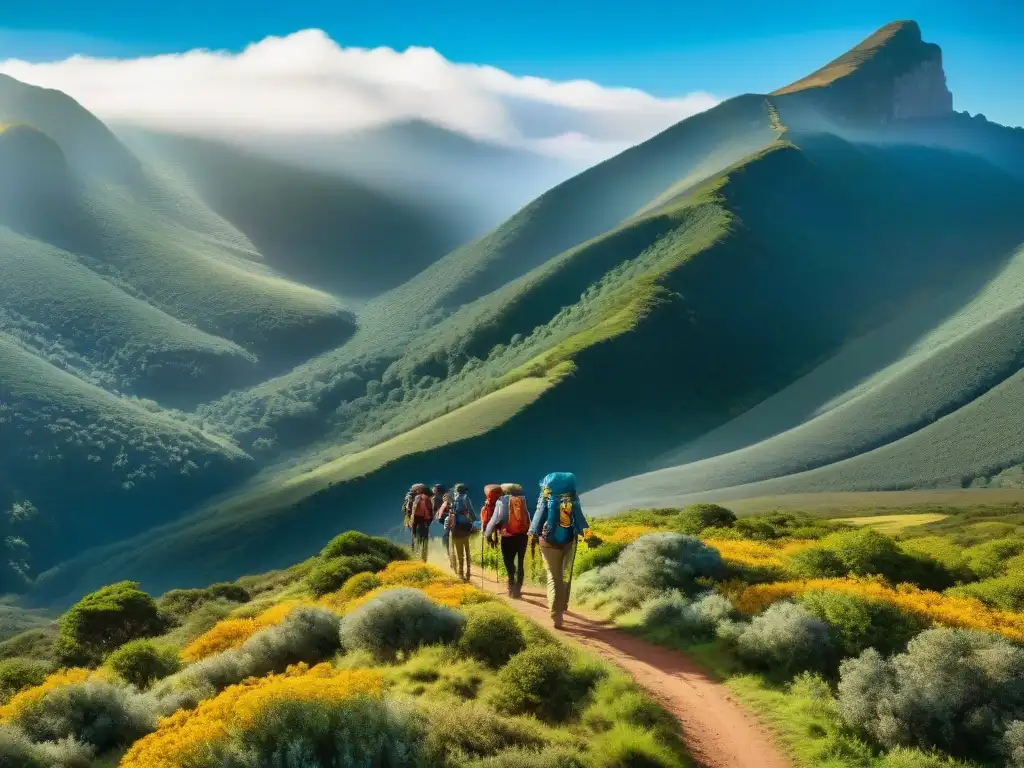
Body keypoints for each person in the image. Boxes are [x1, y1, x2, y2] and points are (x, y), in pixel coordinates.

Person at [528, 472, 589, 628]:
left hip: (548, 542)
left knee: (554, 577)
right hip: (569, 540)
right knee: (564, 575)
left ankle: (556, 615)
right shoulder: (573, 498)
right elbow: (580, 517)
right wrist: (587, 533)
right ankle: (562, 605)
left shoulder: (546, 496)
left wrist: (532, 533)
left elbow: (538, 515)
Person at [485, 482, 531, 598]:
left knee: (509, 562)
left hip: (508, 537)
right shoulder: (523, 500)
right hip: (522, 537)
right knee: (520, 563)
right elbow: (529, 517)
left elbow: (496, 519)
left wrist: (488, 534)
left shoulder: (501, 501)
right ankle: (518, 589)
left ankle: (511, 586)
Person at [443, 483, 476, 581]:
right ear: (464, 490)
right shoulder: (466, 498)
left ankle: (460, 573)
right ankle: (468, 572)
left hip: (455, 527)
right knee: (467, 549)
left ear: (457, 491)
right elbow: (472, 513)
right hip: (465, 527)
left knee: (459, 550)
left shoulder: (453, 500)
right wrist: (475, 522)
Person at [404, 483, 433, 562]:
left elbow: (408, 511)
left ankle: (416, 555)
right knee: (423, 538)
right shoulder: (425, 498)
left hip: (415, 520)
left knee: (415, 537)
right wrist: (428, 521)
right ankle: (423, 557)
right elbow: (430, 512)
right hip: (422, 520)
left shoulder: (412, 497)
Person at [431, 483, 449, 558]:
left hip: (443, 517)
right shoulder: (436, 498)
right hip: (442, 518)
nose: (432, 490)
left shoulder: (436, 498)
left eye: (434, 489)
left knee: (446, 534)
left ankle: (446, 550)